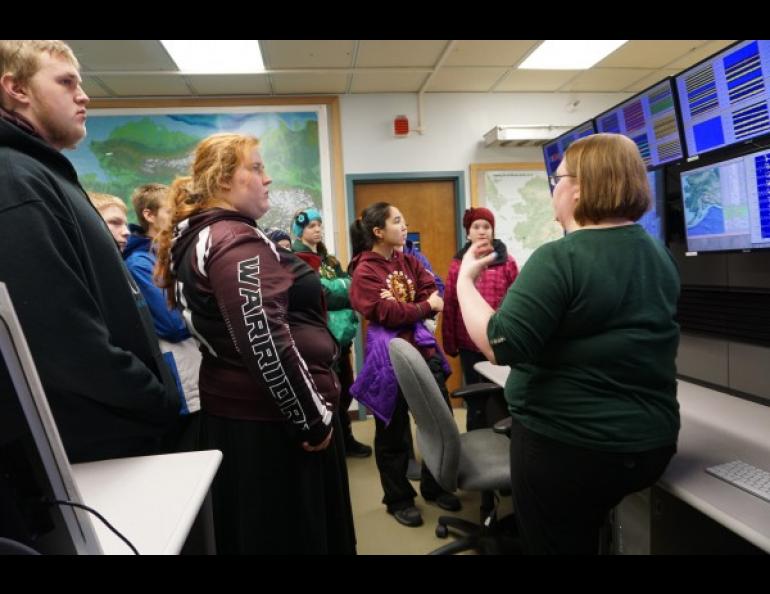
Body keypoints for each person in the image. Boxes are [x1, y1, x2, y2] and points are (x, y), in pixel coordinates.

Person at [457, 133, 680, 554]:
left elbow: (498, 344)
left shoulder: (560, 258)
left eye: (556, 179)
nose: (553, 190)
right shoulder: (658, 254)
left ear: (579, 187)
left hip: (569, 451)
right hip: (647, 446)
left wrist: (465, 282)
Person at [154, 132, 355, 554]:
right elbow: (262, 335)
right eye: (257, 168)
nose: (268, 178)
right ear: (224, 180)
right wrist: (312, 417)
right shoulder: (233, 239)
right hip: (271, 428)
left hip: (245, 416)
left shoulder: (208, 234)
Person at [0, 40, 179, 463]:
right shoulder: (14, 178)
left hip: (108, 434)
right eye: (66, 82)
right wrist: (153, 398)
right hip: (93, 444)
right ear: (16, 89)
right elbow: (60, 336)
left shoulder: (41, 171)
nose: (83, 95)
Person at [348, 201, 461, 528]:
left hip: (424, 352)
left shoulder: (409, 260)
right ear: (377, 231)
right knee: (392, 432)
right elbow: (384, 313)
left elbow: (431, 289)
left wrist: (418, 305)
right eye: (397, 221)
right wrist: (424, 307)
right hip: (389, 359)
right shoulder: (364, 270)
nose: (404, 226)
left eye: (404, 220)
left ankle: (435, 485)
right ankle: (398, 498)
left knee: (438, 422)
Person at [124, 183, 202, 452]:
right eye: (171, 211)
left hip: (196, 364)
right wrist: (206, 312)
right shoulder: (140, 263)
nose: (179, 217)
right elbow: (172, 324)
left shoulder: (168, 254)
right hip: (181, 370)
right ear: (149, 215)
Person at [291, 207, 372, 458]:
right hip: (320, 338)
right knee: (330, 391)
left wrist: (336, 287)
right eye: (310, 226)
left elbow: (353, 288)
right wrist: (339, 288)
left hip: (343, 339)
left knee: (347, 386)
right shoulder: (296, 259)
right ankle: (336, 443)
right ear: (299, 231)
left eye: (319, 225)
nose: (317, 230)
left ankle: (345, 439)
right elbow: (320, 294)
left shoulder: (330, 260)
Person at [442, 206, 518, 431]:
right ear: (468, 232)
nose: (482, 231)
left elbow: (517, 301)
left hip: (500, 339)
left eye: (487, 226)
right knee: (475, 395)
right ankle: (476, 435)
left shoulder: (508, 262)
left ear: (493, 231)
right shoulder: (458, 264)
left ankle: (501, 435)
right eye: (477, 226)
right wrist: (450, 341)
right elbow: (450, 303)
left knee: (500, 392)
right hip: (468, 342)